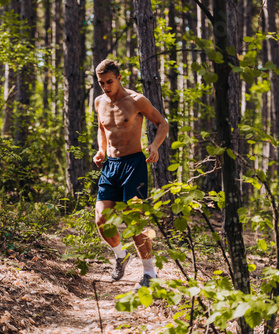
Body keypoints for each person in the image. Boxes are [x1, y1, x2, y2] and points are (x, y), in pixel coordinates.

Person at [93, 59, 169, 290]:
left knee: (134, 220)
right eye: (101, 82)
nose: (105, 86)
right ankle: (121, 255)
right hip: (111, 166)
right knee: (101, 220)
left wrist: (155, 146)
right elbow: (101, 129)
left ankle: (149, 273)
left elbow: (162, 123)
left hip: (133, 164)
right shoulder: (99, 102)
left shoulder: (136, 100)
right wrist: (101, 150)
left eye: (109, 81)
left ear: (118, 78)